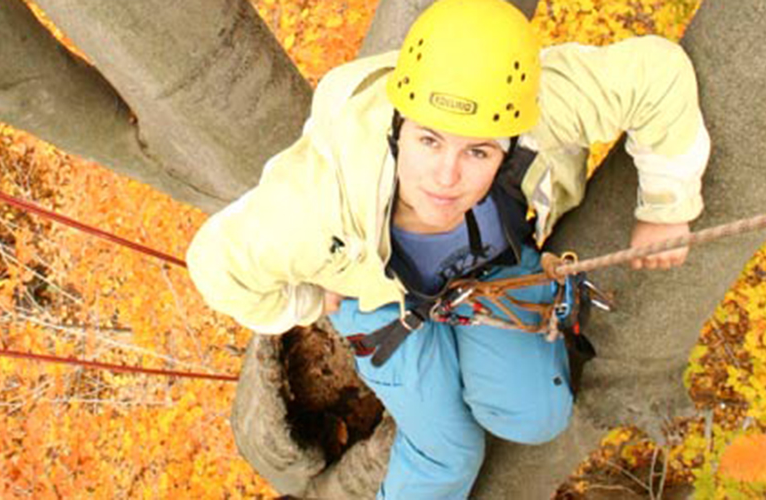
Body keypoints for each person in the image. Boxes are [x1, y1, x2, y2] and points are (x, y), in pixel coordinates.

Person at [186, 0, 710, 497]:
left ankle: (473, 358)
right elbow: (214, 263)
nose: (446, 177)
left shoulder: (535, 112)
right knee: (448, 454)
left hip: (489, 270)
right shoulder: (318, 203)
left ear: (508, 141)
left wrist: (666, 206)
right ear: (397, 128)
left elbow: (656, 74)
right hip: (381, 303)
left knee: (534, 418)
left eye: (478, 151)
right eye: (429, 141)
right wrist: (303, 304)